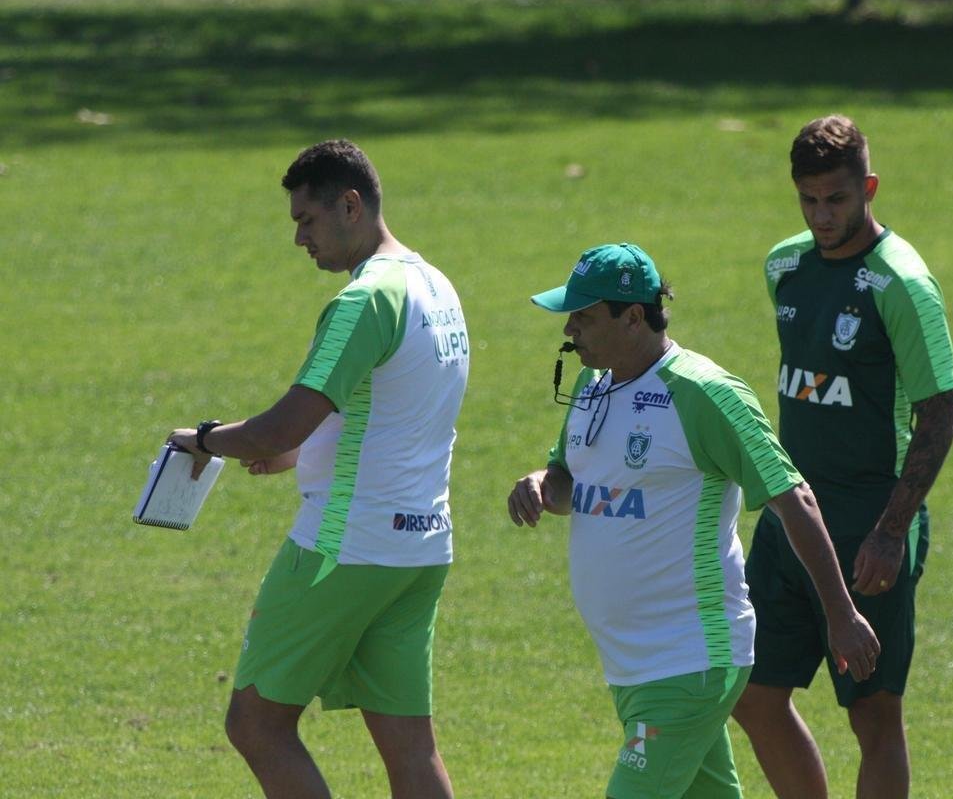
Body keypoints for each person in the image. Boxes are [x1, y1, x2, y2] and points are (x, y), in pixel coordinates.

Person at [506, 242, 879, 799]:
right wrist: (541, 484)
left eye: (584, 316)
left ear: (633, 317)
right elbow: (571, 482)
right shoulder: (592, 386)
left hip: (688, 659)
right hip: (634, 665)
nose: (571, 328)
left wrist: (841, 613)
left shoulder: (704, 395)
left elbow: (793, 498)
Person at [167, 139, 467, 799]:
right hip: (419, 548)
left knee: (257, 724)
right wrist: (302, 454)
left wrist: (205, 439)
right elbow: (395, 408)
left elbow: (279, 426)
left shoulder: (363, 302)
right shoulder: (435, 286)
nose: (300, 239)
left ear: (350, 206)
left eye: (306, 220)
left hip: (342, 547)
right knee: (412, 749)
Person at [732, 114, 953, 799]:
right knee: (753, 693)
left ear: (870, 186)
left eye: (837, 198)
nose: (823, 215)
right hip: (789, 512)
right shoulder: (784, 267)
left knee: (873, 714)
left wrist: (892, 532)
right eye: (809, 200)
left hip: (869, 521)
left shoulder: (902, 285)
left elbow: (938, 414)